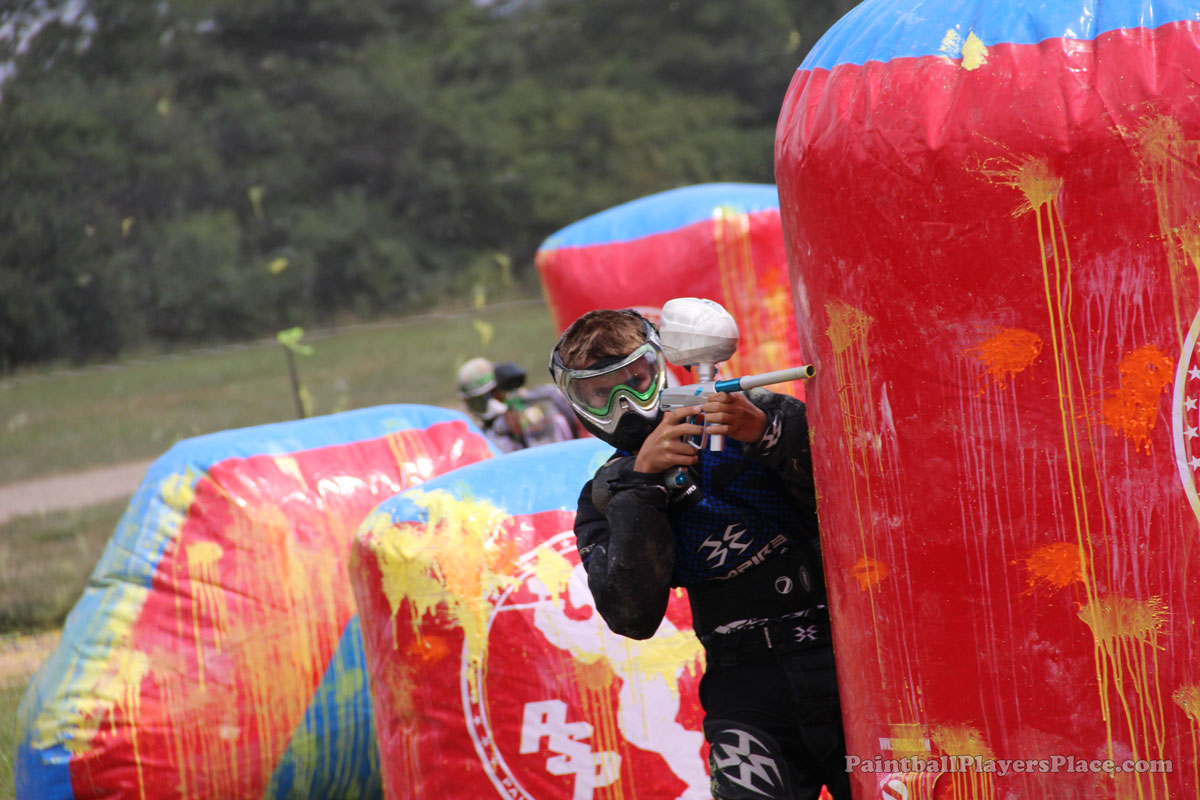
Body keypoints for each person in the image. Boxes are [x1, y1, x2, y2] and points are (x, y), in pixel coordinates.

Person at [549, 308, 849, 800]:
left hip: (843, 658)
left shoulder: (748, 415)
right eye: (601, 395)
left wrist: (769, 433)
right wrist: (642, 490)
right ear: (577, 402)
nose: (626, 405)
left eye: (636, 382)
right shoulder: (606, 496)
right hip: (745, 686)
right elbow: (632, 616)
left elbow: (856, 502)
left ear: (661, 367)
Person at [456, 356, 580, 452]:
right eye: (479, 401)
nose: (492, 403)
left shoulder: (546, 398)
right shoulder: (483, 437)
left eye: (495, 394)